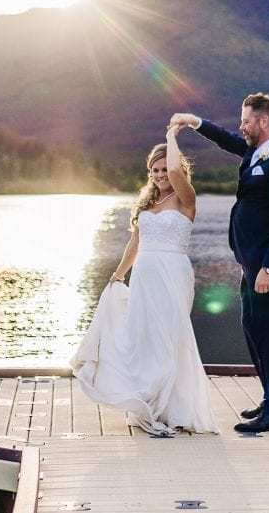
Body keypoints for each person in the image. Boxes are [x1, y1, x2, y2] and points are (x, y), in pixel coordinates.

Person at [70, 125, 218, 436]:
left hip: (172, 274)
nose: (162, 174)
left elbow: (177, 171)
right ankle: (149, 403)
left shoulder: (186, 198)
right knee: (143, 339)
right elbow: (135, 243)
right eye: (155, 169)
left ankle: (173, 408)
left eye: (165, 169)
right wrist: (119, 273)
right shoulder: (147, 204)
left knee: (168, 338)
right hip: (145, 277)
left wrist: (171, 137)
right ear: (149, 173)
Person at [170, 93, 269, 433]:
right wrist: (193, 121)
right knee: (253, 328)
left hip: (264, 265)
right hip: (250, 260)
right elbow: (227, 140)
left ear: (264, 122)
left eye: (245, 121)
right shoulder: (256, 151)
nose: (240, 127)